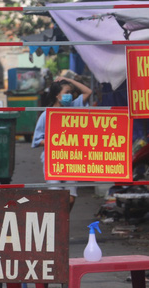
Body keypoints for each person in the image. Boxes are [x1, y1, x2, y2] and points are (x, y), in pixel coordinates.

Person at [31, 75, 92, 210]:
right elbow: (37, 140)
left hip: (72, 160)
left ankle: (63, 222)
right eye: (66, 93)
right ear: (56, 95)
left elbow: (88, 92)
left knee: (70, 198)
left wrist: (68, 80)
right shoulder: (46, 115)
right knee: (56, 196)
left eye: (70, 93)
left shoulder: (74, 106)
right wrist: (56, 142)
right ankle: (58, 226)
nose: (69, 96)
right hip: (52, 160)